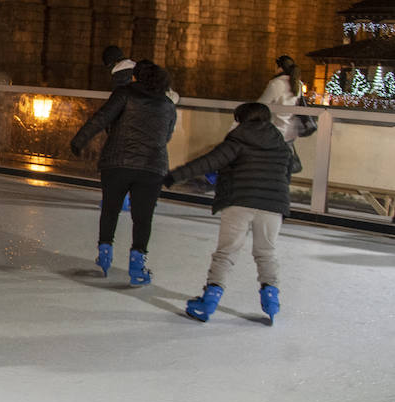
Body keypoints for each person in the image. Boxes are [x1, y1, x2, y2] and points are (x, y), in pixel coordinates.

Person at [163, 102, 297, 325]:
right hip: (273, 205)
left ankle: (208, 302)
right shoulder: (282, 146)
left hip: (239, 202)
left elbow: (208, 162)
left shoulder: (237, 141)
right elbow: (286, 178)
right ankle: (272, 301)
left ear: (240, 119)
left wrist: (174, 176)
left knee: (226, 252)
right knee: (266, 253)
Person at [70, 60, 177, 284]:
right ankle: (137, 267)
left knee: (110, 209)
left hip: (117, 163)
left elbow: (101, 119)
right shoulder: (168, 105)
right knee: (143, 218)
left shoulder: (124, 94)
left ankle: (105, 253)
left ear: (136, 76)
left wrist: (79, 141)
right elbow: (166, 136)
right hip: (152, 167)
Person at [260, 54, 304, 143]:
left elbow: (261, 104)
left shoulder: (276, 83)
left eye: (275, 67)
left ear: (280, 68)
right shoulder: (298, 84)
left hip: (276, 131)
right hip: (290, 132)